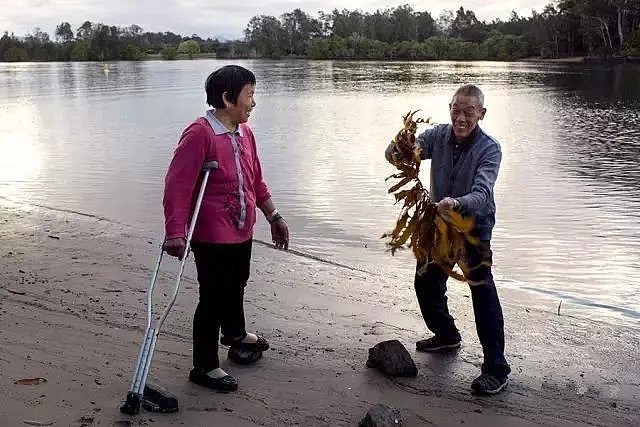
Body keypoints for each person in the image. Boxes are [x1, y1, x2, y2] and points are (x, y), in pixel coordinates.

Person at [162, 65, 289, 392]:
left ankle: (234, 332)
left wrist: (274, 216)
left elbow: (256, 180)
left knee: (237, 283)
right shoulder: (200, 133)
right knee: (213, 297)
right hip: (211, 233)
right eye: (249, 95)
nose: (253, 102)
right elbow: (177, 185)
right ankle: (204, 366)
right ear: (227, 98)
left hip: (242, 227)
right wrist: (175, 232)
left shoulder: (246, 133)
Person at [385, 84, 510, 395]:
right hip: (438, 223)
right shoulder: (438, 135)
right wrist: (396, 150)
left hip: (473, 226)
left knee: (481, 289)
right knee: (425, 281)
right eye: (456, 110)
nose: (461, 118)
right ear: (449, 109)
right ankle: (446, 334)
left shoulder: (489, 149)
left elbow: (482, 194)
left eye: (469, 112)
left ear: (482, 114)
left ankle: (496, 368)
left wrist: (456, 203)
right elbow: (408, 150)